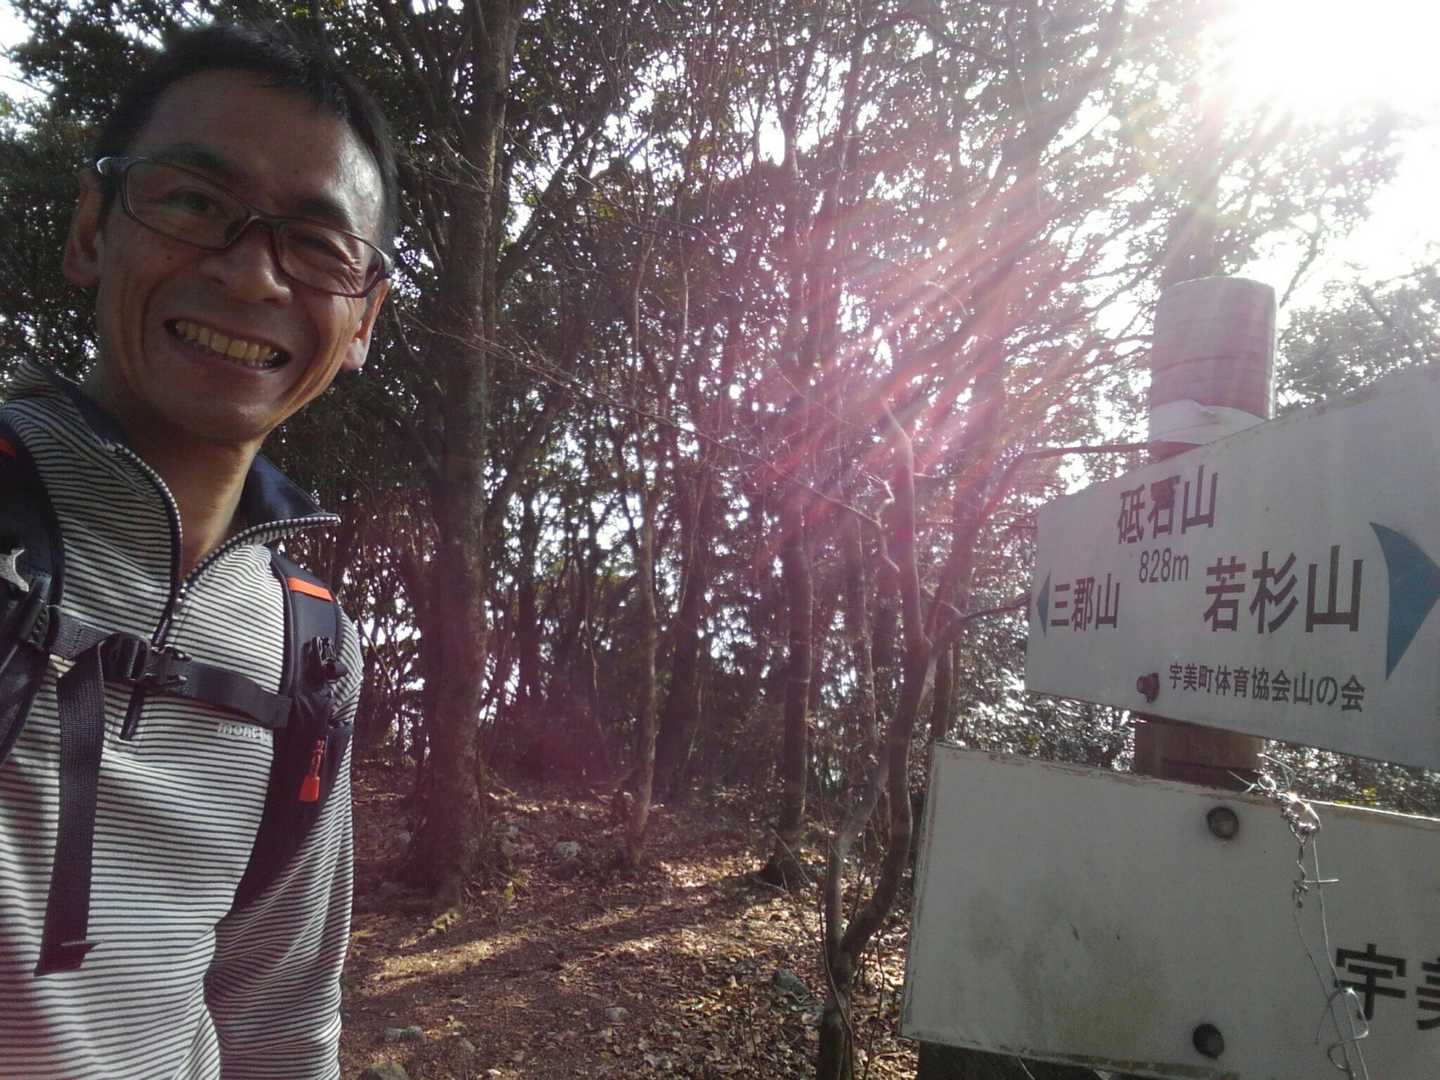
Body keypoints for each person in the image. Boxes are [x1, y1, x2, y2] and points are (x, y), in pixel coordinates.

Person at [0, 21, 395, 1078]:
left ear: (363, 320)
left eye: (318, 245)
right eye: (192, 202)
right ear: (91, 231)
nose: (253, 275)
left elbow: (280, 1016)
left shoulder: (311, 649)